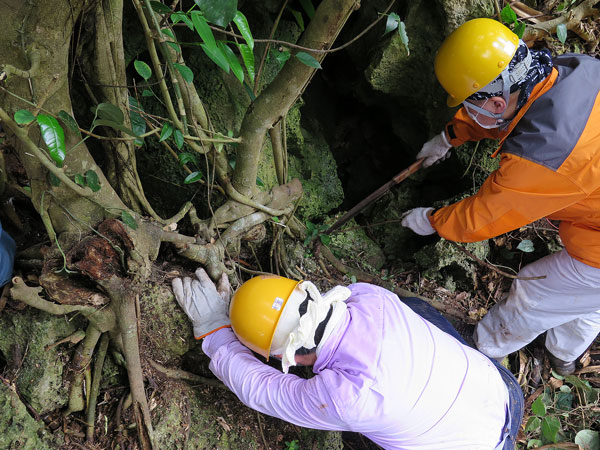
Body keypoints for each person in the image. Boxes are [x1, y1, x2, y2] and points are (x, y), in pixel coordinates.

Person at [400, 18, 600, 375]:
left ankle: (484, 346)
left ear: (492, 102)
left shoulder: (544, 156)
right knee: (586, 299)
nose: (466, 110)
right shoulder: (575, 73)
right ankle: (564, 356)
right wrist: (450, 136)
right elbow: (508, 109)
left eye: (468, 105)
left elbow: (484, 216)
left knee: (535, 292)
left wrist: (432, 220)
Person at [172, 268, 523, 449]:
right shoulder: (370, 297)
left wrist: (216, 332)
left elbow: (262, 391)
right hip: (499, 388)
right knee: (414, 309)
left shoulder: (348, 399)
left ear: (287, 358)